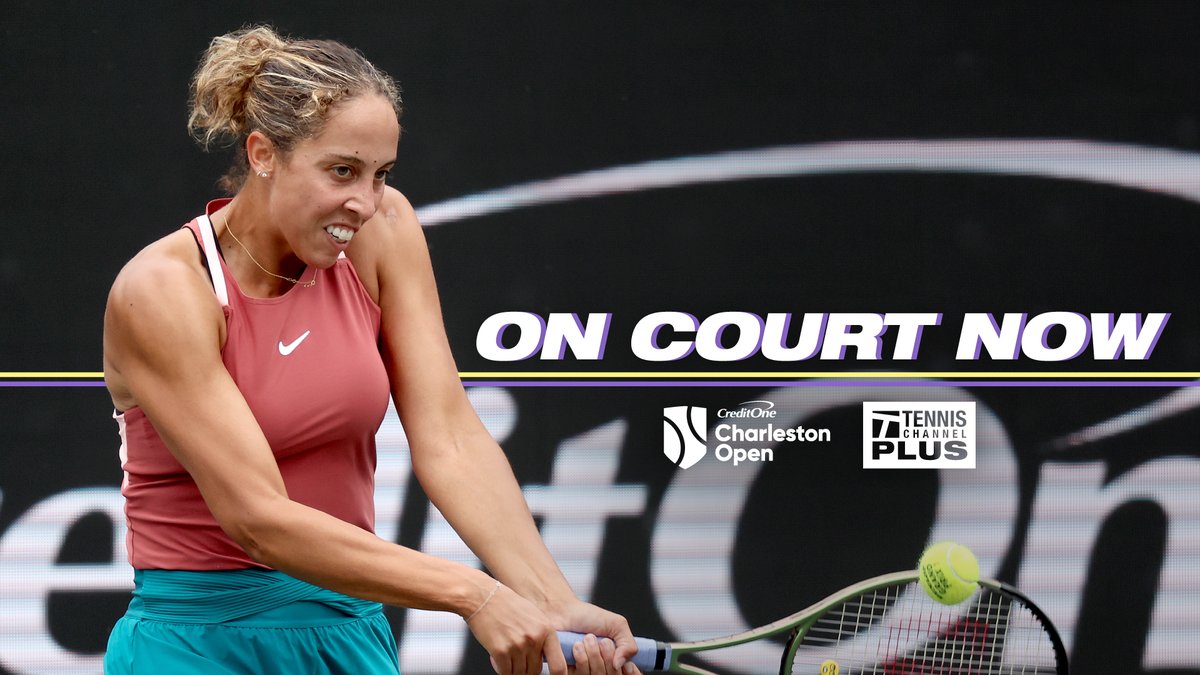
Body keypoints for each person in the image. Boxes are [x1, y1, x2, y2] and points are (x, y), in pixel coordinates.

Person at [102, 25, 642, 675]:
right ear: (264, 154)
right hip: (194, 646)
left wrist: (552, 600)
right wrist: (474, 593)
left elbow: (450, 437)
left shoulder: (384, 229)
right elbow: (259, 519)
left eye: (381, 174)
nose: (363, 202)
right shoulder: (162, 290)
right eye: (342, 171)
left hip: (348, 634)